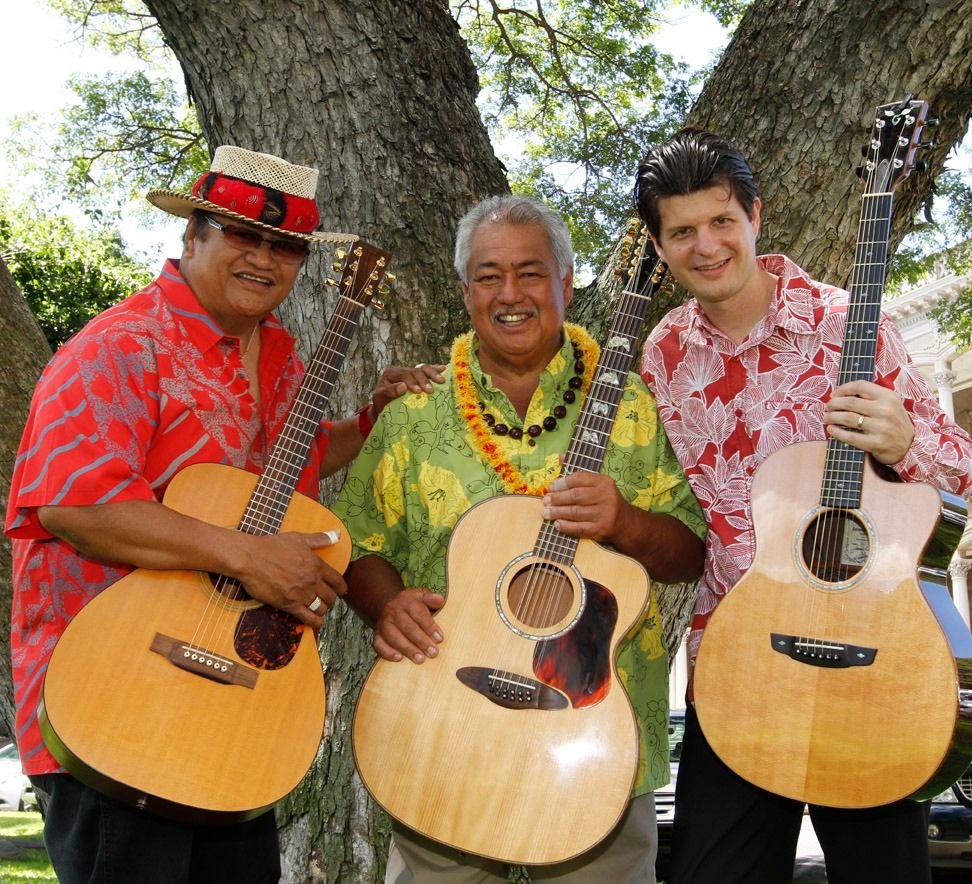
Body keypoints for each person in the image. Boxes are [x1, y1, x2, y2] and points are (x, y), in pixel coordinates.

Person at [5, 145, 441, 884]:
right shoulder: (119, 347)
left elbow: (280, 475)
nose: (263, 258)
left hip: (236, 705)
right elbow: (77, 502)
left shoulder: (280, 358)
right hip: (112, 692)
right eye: (242, 234)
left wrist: (369, 423)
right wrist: (246, 557)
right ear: (191, 235)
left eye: (285, 246)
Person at [634, 127, 972, 884]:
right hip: (738, 670)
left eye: (722, 220)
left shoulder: (846, 321)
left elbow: (959, 473)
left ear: (757, 214)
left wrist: (905, 441)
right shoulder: (663, 355)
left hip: (872, 662)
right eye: (683, 231)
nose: (707, 244)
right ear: (660, 248)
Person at [334, 193, 706, 883]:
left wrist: (624, 522)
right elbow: (358, 547)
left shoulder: (628, 406)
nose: (510, 294)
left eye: (531, 272)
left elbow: (690, 551)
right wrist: (387, 607)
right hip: (443, 728)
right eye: (488, 275)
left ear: (565, 283)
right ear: (465, 289)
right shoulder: (414, 413)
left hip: (592, 737)